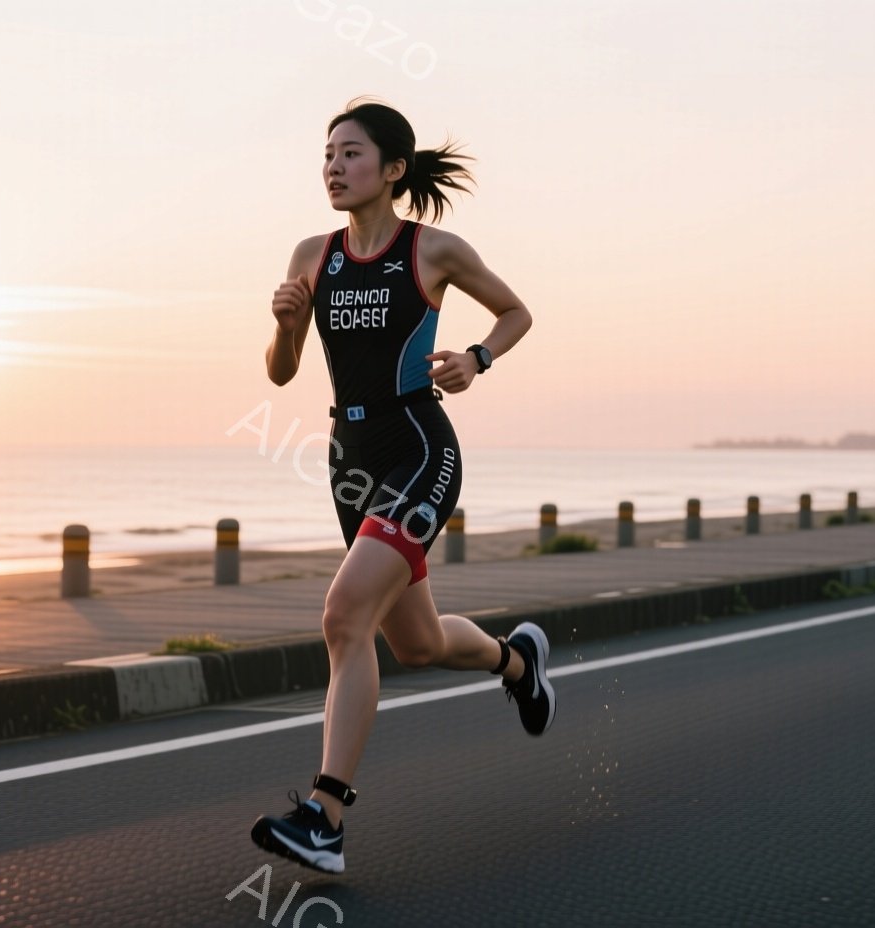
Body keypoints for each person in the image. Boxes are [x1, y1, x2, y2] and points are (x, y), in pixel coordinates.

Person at [251, 97, 553, 875]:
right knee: (412, 643)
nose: (333, 167)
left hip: (419, 447)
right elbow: (281, 372)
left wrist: (476, 360)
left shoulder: (434, 250)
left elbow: (517, 313)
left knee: (344, 614)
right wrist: (287, 323)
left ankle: (325, 816)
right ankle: (518, 664)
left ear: (391, 170)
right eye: (326, 155)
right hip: (348, 460)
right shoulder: (310, 256)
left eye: (350, 155)